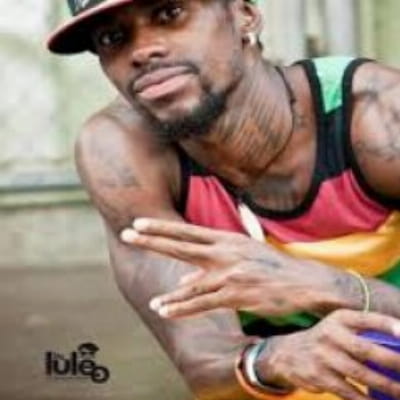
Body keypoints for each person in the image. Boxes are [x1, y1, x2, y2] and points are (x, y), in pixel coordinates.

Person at [47, 0, 400, 399]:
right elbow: (207, 367)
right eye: (113, 37)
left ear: (243, 15)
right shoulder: (123, 151)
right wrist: (270, 360)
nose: (141, 51)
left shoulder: (379, 116)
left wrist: (337, 288)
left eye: (169, 14)